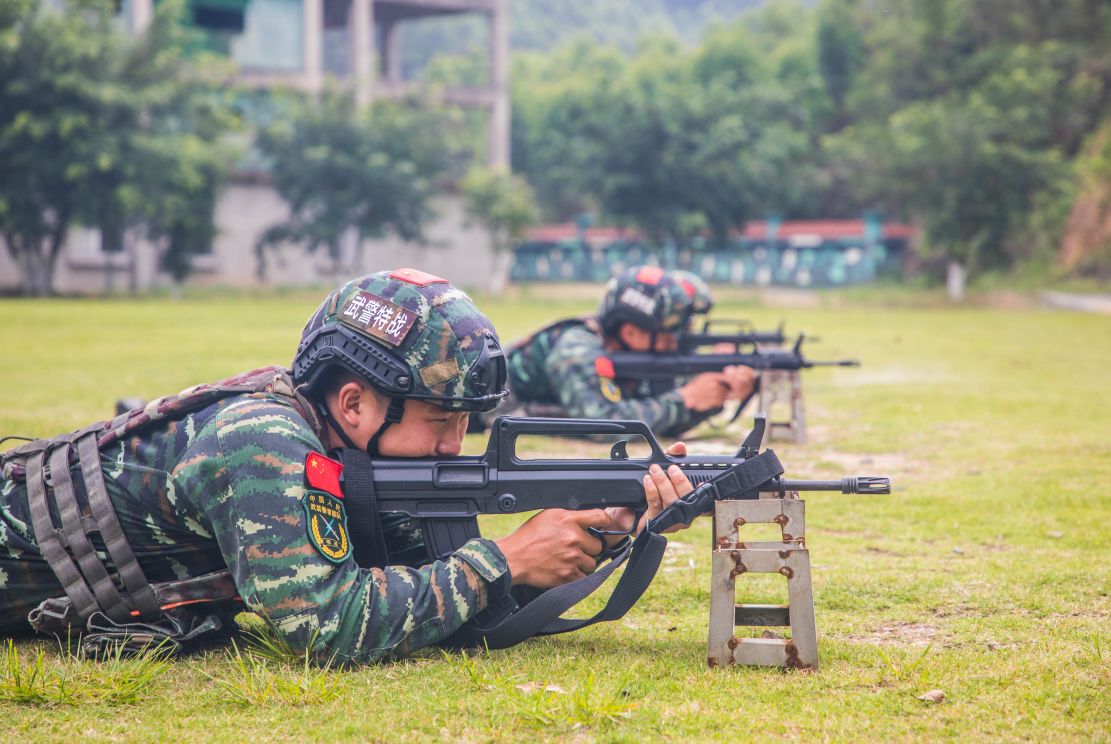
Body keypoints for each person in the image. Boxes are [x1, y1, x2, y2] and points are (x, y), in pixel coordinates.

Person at [0, 269, 694, 663]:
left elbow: (403, 562)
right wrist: (503, 562)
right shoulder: (264, 440)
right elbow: (324, 625)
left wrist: (599, 521)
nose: (456, 444)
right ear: (356, 402)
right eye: (441, 421)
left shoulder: (327, 438)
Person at [502, 266, 756, 437]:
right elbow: (603, 426)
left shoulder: (625, 351)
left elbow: (660, 424)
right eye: (668, 333)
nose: (673, 342)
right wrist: (685, 399)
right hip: (482, 415)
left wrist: (712, 396)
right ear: (631, 332)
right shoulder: (577, 349)